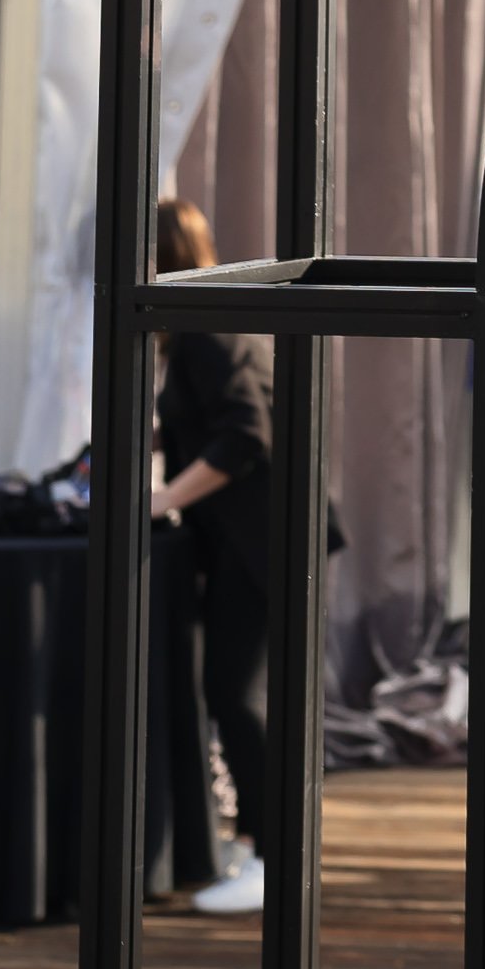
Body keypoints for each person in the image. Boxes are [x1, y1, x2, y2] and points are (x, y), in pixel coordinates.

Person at [149, 196, 283, 915]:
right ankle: (256, 842)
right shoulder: (198, 327)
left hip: (263, 543)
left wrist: (163, 498)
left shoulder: (205, 329)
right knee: (230, 693)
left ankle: (273, 857)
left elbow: (244, 437)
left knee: (238, 696)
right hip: (244, 542)